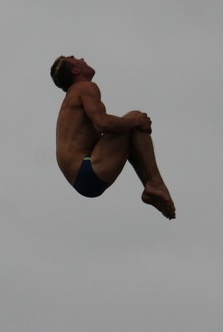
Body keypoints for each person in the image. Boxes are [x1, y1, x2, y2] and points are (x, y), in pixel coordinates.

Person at [50, 55, 176, 219]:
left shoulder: (72, 98)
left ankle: (152, 186)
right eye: (75, 59)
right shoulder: (84, 88)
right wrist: (137, 121)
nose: (82, 58)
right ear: (76, 70)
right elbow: (103, 123)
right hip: (87, 169)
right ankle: (155, 184)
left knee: (130, 127)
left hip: (83, 179)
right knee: (135, 117)